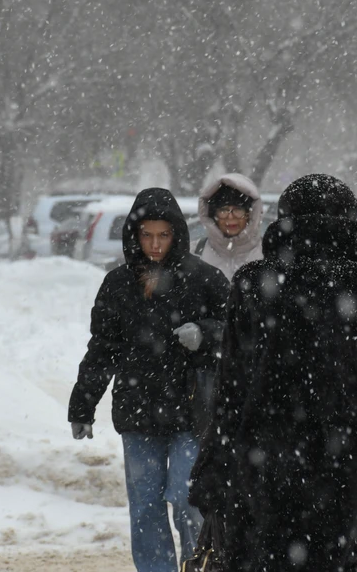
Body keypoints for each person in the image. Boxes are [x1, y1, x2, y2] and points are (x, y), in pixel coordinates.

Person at [189, 174, 357, 572]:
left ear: (284, 220)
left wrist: (214, 467)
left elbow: (231, 389)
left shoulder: (253, 284)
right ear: (351, 221)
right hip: (347, 463)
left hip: (264, 461)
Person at [68, 188, 230, 572]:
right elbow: (101, 349)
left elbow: (237, 335)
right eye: (147, 235)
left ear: (177, 234)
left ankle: (199, 564)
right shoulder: (118, 285)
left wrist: (204, 333)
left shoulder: (205, 279)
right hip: (137, 412)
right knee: (144, 506)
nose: (155, 245)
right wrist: (82, 404)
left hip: (193, 412)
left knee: (188, 499)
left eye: (164, 235)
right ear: (134, 235)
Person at [195, 173, 264, 281]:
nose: (230, 217)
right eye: (223, 210)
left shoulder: (269, 254)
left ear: (250, 214)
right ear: (213, 215)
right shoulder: (194, 253)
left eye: (238, 209)